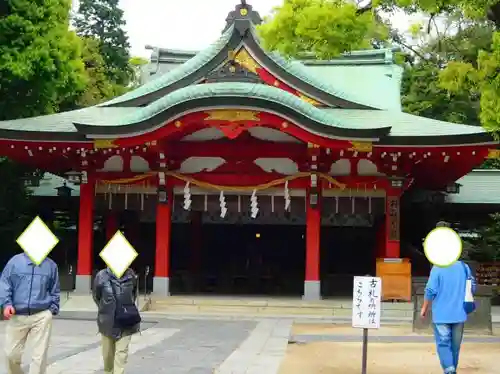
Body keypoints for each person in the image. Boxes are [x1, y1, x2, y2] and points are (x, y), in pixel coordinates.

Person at [421, 222, 476, 374]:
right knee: (455, 347)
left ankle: (449, 370)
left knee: (443, 344)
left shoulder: (437, 268)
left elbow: (430, 290)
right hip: (459, 314)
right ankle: (452, 369)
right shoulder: (464, 267)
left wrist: (424, 308)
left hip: (441, 314)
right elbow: (472, 287)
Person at [0, 252, 60, 374]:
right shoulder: (15, 261)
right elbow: (5, 283)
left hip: (41, 315)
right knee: (10, 355)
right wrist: (7, 304)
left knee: (39, 356)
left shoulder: (51, 265)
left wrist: (52, 309)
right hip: (17, 315)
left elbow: (55, 289)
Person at [93, 267, 141, 374]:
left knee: (121, 355)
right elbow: (97, 296)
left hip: (126, 321)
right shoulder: (101, 276)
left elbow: (133, 295)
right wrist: (107, 308)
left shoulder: (130, 275)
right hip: (107, 322)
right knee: (107, 357)